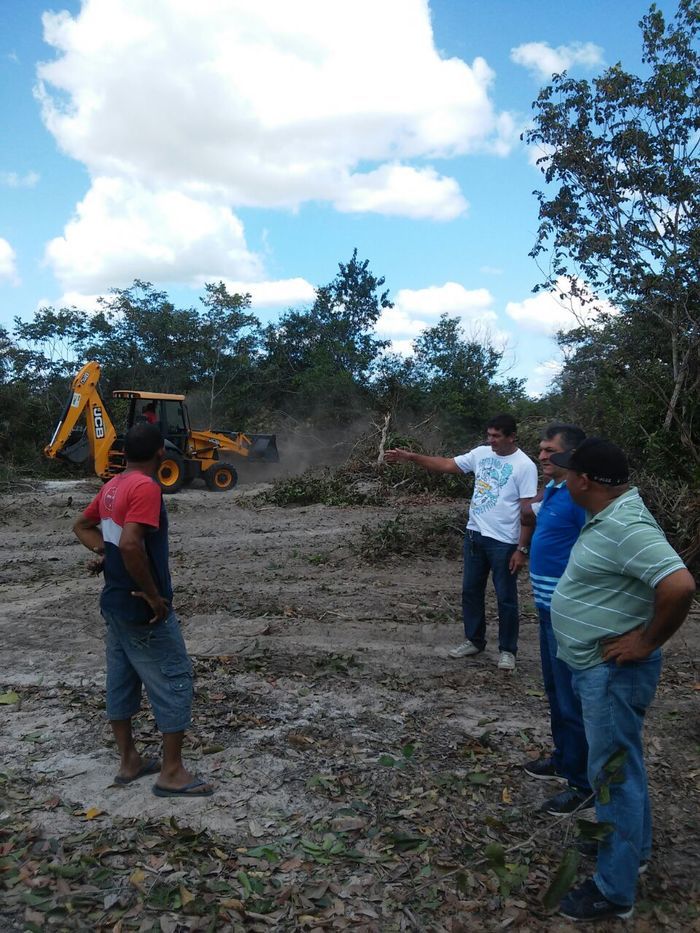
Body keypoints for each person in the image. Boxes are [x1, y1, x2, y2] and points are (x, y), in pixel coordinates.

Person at [548, 438, 695, 922]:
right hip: (598, 671)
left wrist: (647, 642)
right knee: (621, 769)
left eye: (569, 472)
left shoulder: (626, 525)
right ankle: (632, 852)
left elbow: (679, 584)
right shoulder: (610, 514)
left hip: (611, 674)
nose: (563, 477)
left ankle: (614, 891)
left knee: (612, 779)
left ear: (585, 481)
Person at [73, 423, 213, 798]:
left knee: (120, 680)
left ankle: (129, 761)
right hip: (140, 609)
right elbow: (133, 544)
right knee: (173, 678)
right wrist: (153, 596)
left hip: (114, 603)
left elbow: (83, 526)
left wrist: (106, 554)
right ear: (161, 454)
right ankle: (172, 772)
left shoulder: (112, 486)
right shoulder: (147, 487)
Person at [385, 414, 538, 670]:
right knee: (470, 591)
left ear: (512, 436)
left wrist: (522, 549)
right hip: (475, 535)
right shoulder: (480, 454)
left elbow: (527, 511)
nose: (492, 441)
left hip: (504, 542)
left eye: (497, 436)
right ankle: (474, 640)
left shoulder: (525, 466)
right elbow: (447, 464)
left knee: (506, 598)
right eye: (489, 435)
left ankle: (507, 650)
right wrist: (412, 457)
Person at [522, 423, 592, 816]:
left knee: (572, 699)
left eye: (550, 451)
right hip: (546, 610)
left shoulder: (583, 499)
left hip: (570, 616)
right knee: (554, 691)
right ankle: (564, 760)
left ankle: (583, 784)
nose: (543, 456)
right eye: (541, 450)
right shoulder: (554, 489)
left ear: (572, 455)